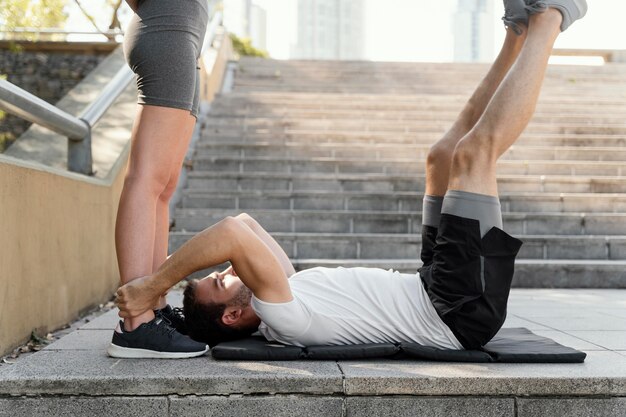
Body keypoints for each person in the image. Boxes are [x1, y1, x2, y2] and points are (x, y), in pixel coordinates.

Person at [114, 0, 587, 352]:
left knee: (442, 156)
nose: (224, 270)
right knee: (474, 156)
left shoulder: (284, 289)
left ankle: (518, 33)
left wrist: (163, 276)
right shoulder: (284, 315)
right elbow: (233, 235)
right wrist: (151, 288)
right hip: (458, 311)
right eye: (219, 282)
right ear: (236, 315)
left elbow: (245, 222)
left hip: (433, 285)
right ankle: (553, 16)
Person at [107, 0, 210, 358]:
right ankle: (136, 321)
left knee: (164, 188)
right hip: (168, 28)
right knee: (147, 179)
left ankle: (154, 303)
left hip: (184, 36)